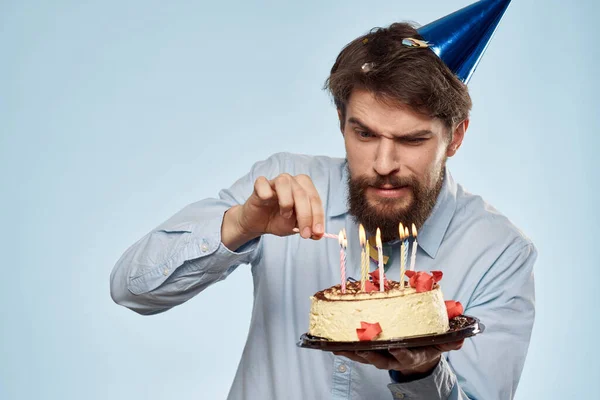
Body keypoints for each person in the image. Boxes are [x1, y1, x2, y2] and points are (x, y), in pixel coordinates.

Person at [111, 2, 536, 399]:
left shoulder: (499, 252)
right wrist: (240, 225)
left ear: (455, 136)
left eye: (411, 139)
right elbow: (131, 290)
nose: (384, 163)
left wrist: (421, 373)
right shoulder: (283, 186)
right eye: (365, 133)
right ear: (341, 121)